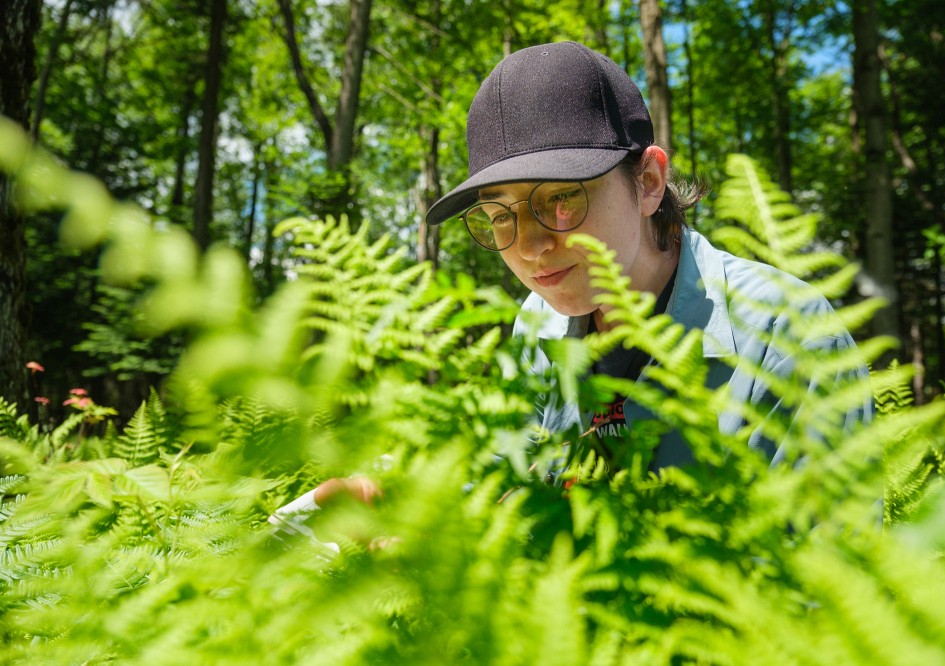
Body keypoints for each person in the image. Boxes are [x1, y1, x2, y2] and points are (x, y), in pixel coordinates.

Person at [270, 41, 873, 529]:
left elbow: (830, 605)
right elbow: (508, 479)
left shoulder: (786, 334)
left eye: (561, 201)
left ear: (648, 182)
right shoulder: (538, 321)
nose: (530, 246)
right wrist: (399, 498)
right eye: (500, 215)